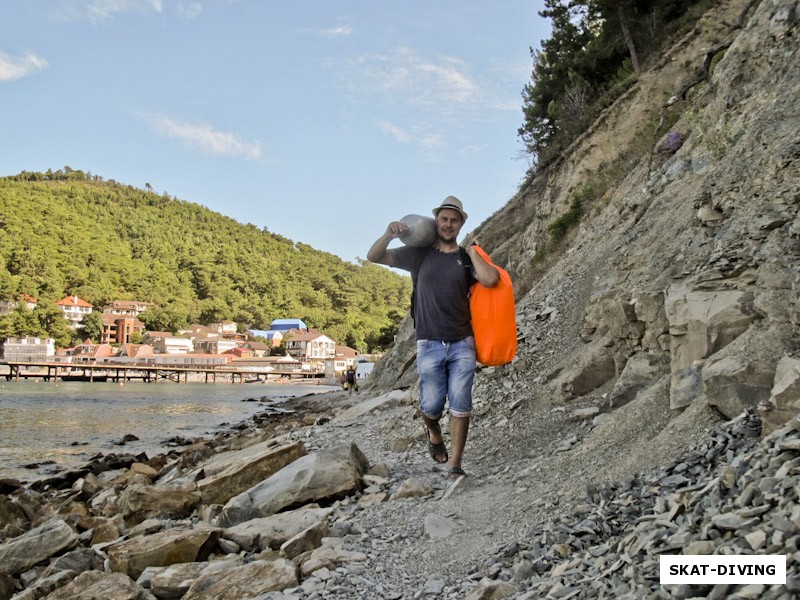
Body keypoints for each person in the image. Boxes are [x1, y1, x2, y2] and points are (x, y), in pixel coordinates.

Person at [367, 196, 499, 479]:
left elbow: (490, 280)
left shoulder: (465, 259)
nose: (448, 224)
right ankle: (433, 429)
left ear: (461, 224)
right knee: (432, 405)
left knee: (461, 403)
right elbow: (374, 256)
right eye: (444, 219)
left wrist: (474, 252)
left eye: (454, 220)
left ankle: (456, 465)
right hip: (429, 343)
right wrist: (389, 235)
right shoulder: (419, 255)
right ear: (436, 221)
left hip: (463, 342)